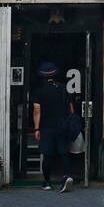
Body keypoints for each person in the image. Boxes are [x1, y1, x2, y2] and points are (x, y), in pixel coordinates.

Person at [31, 60, 74, 193]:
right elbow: (70, 107)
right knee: (64, 153)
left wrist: (36, 128)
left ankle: (47, 182)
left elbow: (37, 111)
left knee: (48, 155)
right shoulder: (63, 88)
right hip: (62, 125)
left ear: (42, 76)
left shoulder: (39, 91)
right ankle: (67, 176)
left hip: (46, 127)